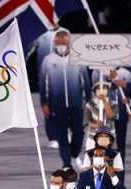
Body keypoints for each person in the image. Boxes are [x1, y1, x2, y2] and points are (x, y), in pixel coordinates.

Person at [39, 30, 91, 168]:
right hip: (57, 105)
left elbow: (86, 81)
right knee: (61, 135)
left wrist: (90, 102)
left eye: (64, 42)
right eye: (58, 42)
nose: (61, 44)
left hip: (76, 103)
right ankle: (66, 164)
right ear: (54, 42)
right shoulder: (48, 60)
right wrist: (44, 103)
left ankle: (74, 155)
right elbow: (43, 83)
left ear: (69, 43)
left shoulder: (78, 58)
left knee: (79, 132)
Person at [29, 25, 70, 149]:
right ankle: (53, 137)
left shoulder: (66, 31)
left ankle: (65, 132)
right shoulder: (40, 33)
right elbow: (29, 50)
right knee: (48, 108)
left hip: (64, 75)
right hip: (45, 75)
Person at [92, 67, 131, 164]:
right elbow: (95, 92)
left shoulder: (126, 73)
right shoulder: (97, 72)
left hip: (121, 115)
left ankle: (119, 173)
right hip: (104, 117)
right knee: (103, 145)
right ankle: (104, 171)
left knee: (120, 146)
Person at [84, 80, 117, 152]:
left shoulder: (113, 103)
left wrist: (104, 101)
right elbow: (86, 122)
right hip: (93, 137)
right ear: (95, 91)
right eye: (98, 88)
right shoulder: (89, 104)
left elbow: (111, 116)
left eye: (104, 88)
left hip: (109, 136)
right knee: (91, 160)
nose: (101, 91)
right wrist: (96, 125)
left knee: (109, 160)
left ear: (108, 90)